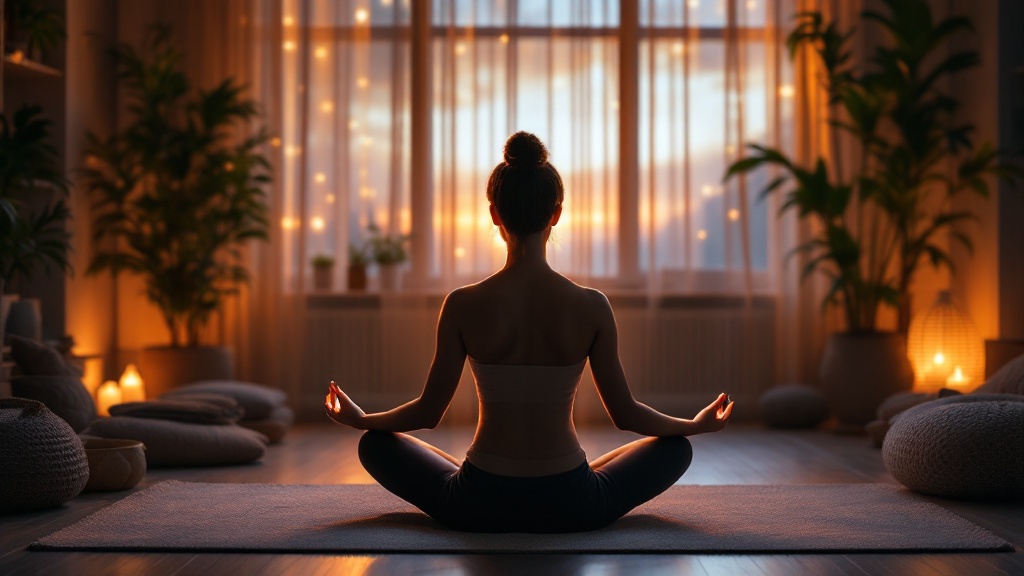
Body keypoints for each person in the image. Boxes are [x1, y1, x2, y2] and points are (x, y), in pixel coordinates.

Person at [326, 131, 734, 533]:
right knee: (676, 448)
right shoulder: (591, 305)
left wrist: (363, 419)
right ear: (556, 213)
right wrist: (693, 425)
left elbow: (428, 414)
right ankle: (571, 472)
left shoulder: (462, 304)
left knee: (376, 444)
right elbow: (626, 415)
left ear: (494, 213)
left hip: (476, 503)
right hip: (573, 504)